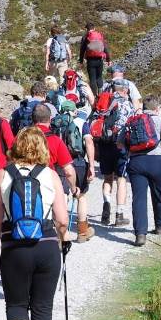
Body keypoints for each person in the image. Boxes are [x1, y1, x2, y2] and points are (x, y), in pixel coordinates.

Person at [0, 127, 70, 320]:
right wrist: (63, 237)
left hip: (14, 247)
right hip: (45, 245)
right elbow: (63, 219)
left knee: (17, 303)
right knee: (43, 307)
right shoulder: (50, 175)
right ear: (43, 148)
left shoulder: (3, 174)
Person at [122, 96, 161, 246]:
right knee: (158, 193)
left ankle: (140, 234)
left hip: (136, 163)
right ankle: (159, 226)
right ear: (157, 108)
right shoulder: (160, 121)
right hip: (156, 162)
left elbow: (120, 143)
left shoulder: (132, 120)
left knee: (139, 198)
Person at [93, 78, 137, 227]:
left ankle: (106, 207)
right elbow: (131, 123)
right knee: (121, 179)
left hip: (104, 144)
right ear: (124, 90)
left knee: (107, 178)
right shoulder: (127, 104)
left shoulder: (104, 102)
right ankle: (119, 214)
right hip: (120, 145)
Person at [60, 100, 96, 241]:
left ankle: (61, 232)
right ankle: (82, 232)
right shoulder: (81, 122)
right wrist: (92, 166)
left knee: (62, 195)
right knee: (81, 197)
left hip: (60, 163)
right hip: (78, 162)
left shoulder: (55, 122)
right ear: (74, 110)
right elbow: (88, 142)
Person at [32, 103, 78, 207]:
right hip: (47, 186)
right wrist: (74, 189)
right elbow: (69, 171)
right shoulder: (55, 140)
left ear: (33, 118)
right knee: (60, 221)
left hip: (24, 186)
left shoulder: (22, 138)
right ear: (50, 118)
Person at [79, 24, 109, 92]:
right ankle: (101, 94)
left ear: (87, 29)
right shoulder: (99, 35)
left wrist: (81, 61)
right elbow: (105, 48)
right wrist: (108, 59)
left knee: (92, 78)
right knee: (99, 77)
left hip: (90, 61)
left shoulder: (86, 36)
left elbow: (82, 50)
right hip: (100, 60)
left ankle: (94, 96)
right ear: (94, 28)